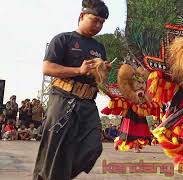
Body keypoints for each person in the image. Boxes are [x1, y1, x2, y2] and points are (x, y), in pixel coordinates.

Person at [33, 0, 111, 179]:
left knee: (93, 147)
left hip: (88, 103)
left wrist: (104, 71)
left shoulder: (99, 47)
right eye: (95, 20)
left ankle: (60, 174)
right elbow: (47, 68)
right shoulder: (63, 39)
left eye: (102, 22)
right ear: (82, 16)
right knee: (55, 150)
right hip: (63, 99)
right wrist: (78, 70)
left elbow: (99, 80)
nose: (98, 25)